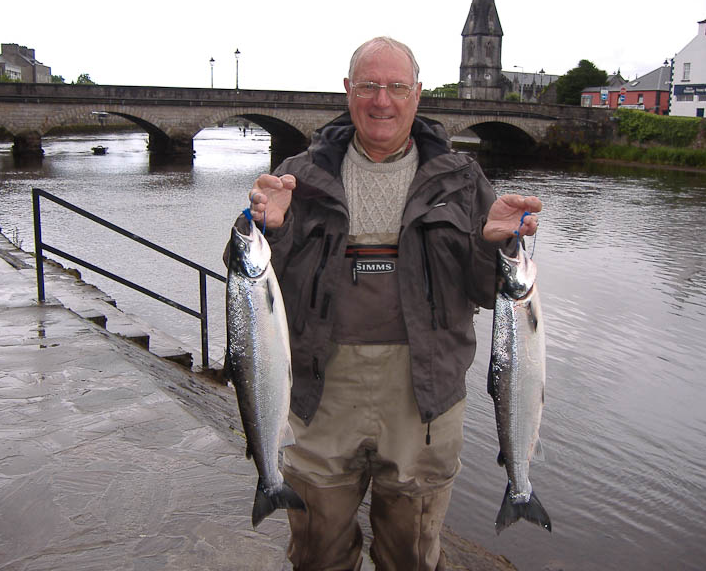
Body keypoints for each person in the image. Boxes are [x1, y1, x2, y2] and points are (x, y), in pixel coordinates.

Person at [231, 36, 540, 571]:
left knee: (413, 553)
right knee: (318, 551)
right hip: (317, 394)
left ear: (418, 95)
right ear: (348, 91)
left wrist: (497, 245)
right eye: (370, 86)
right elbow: (248, 282)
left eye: (397, 87)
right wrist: (261, 226)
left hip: (425, 398)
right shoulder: (296, 177)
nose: (382, 101)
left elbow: (493, 290)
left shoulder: (462, 180)